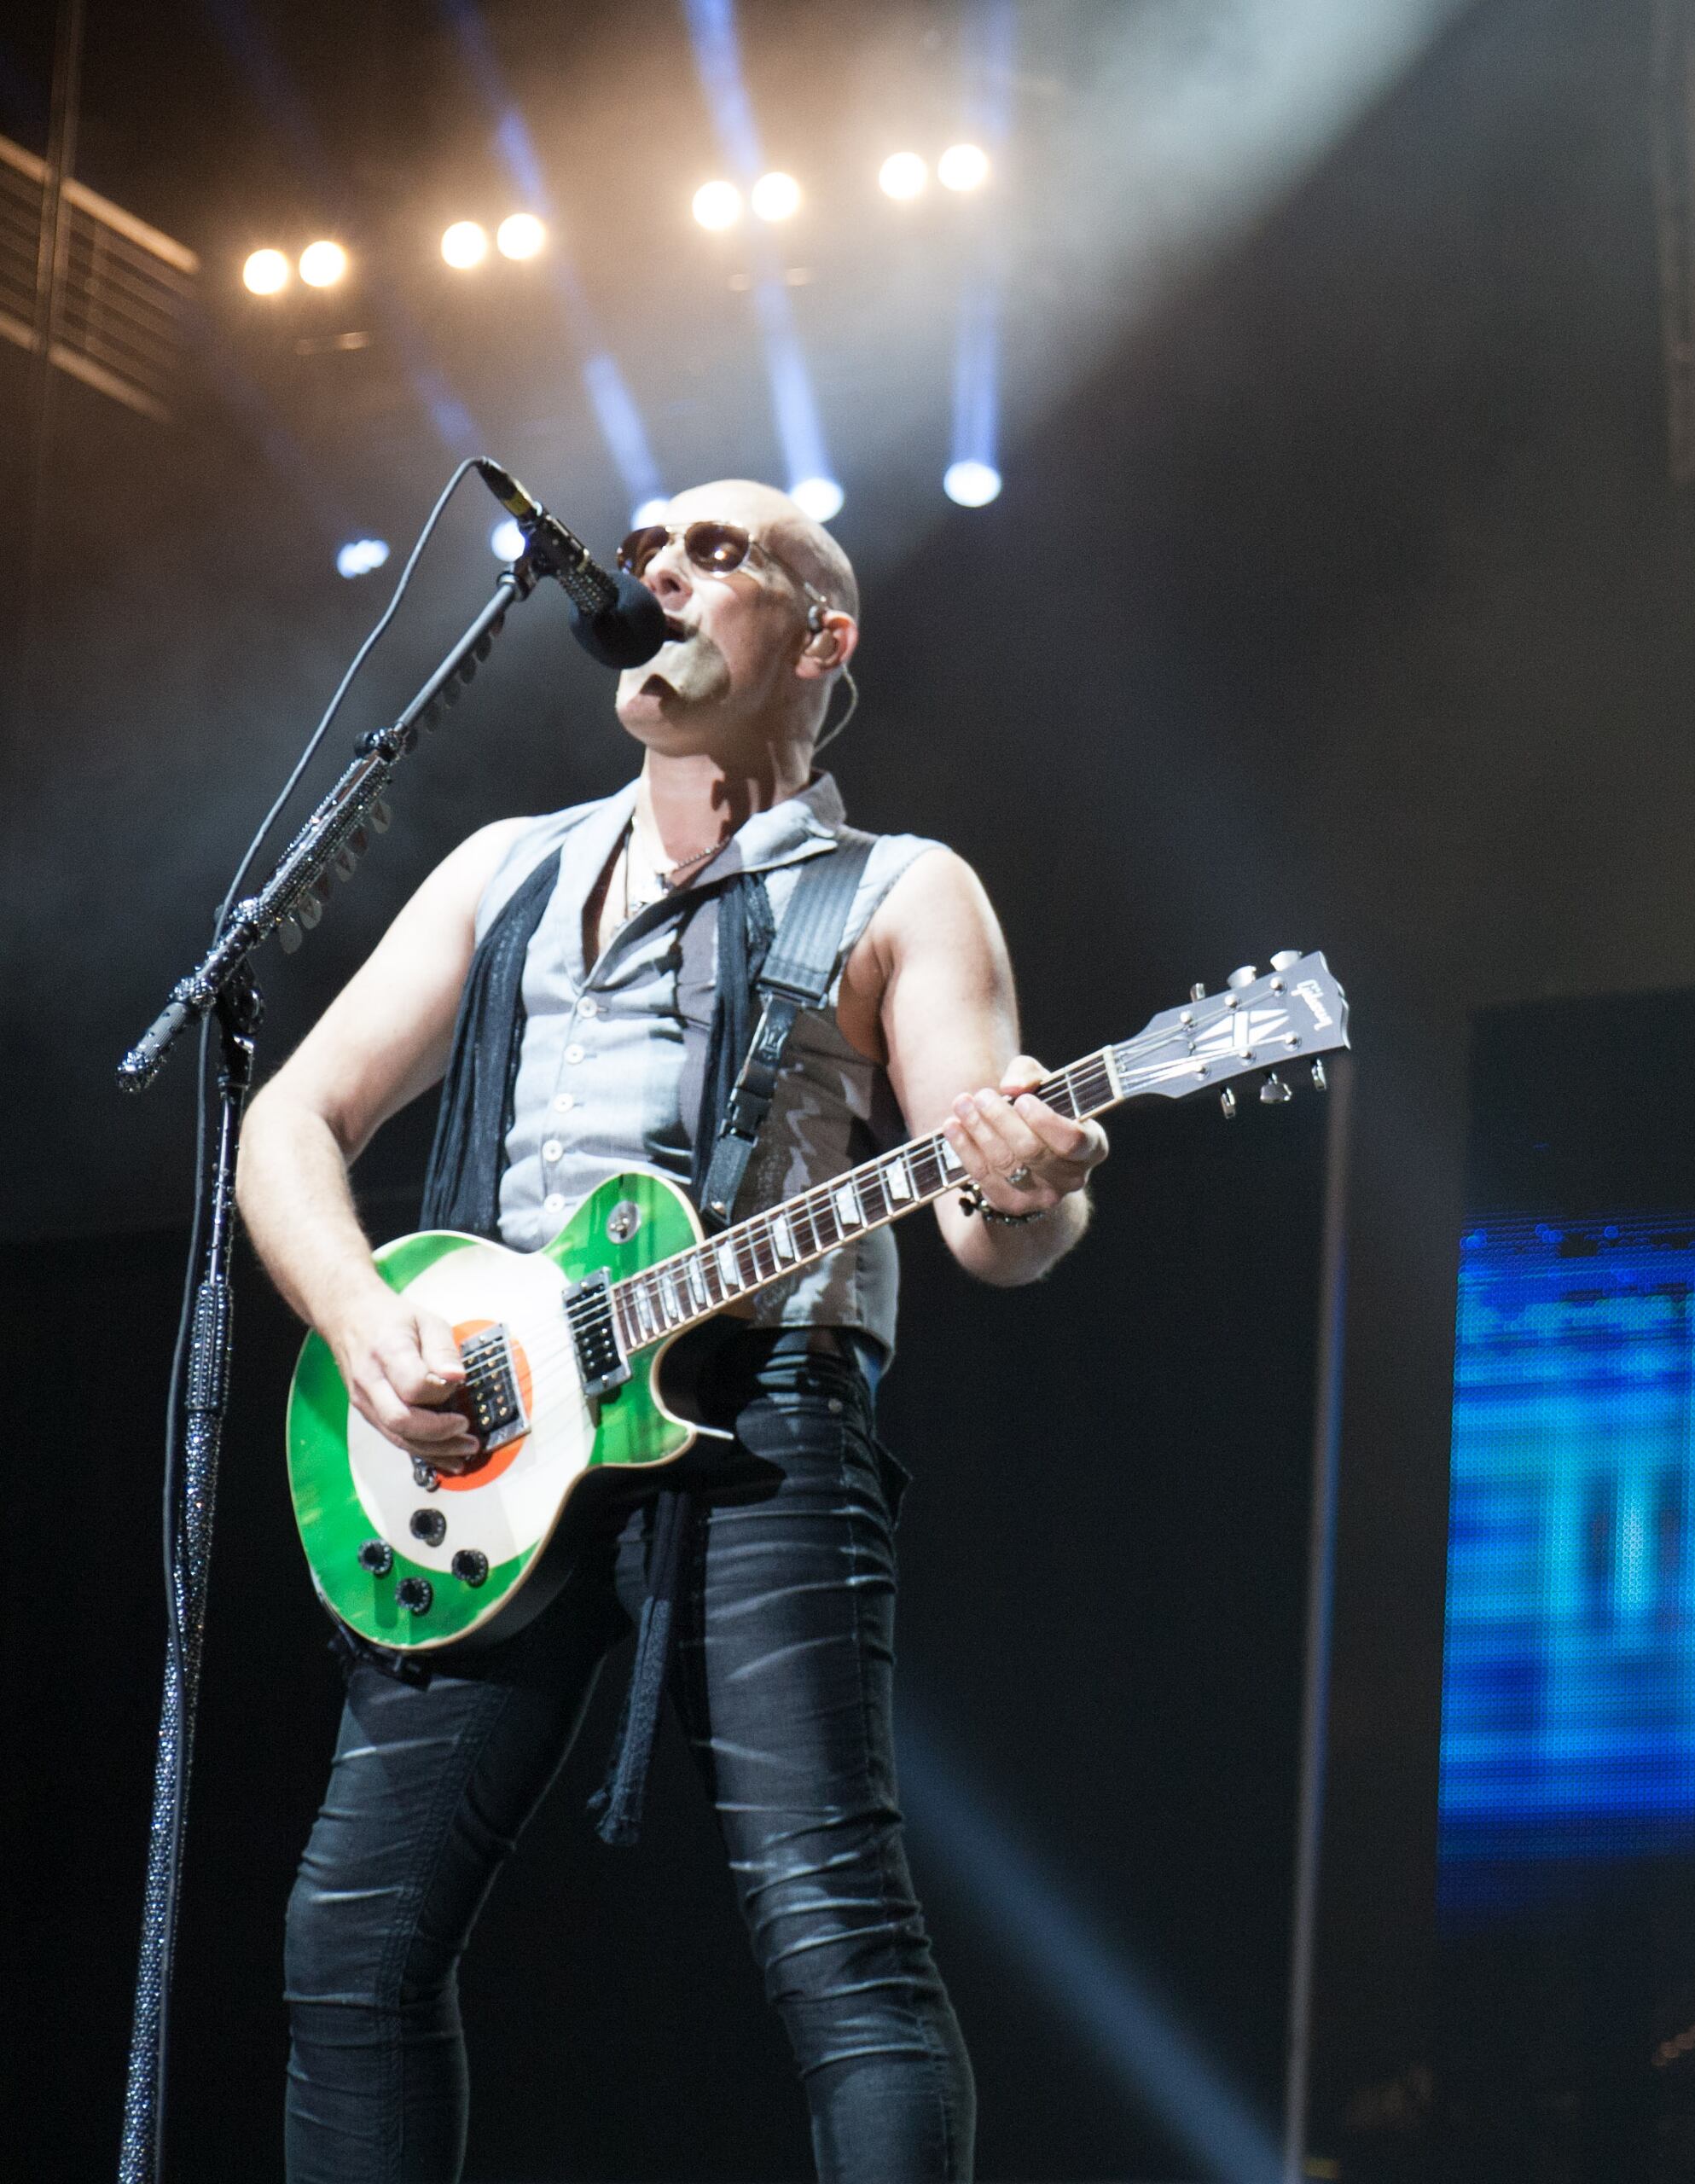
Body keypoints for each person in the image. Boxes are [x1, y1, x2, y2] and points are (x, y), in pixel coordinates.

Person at [241, 479, 1102, 2180]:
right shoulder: (508, 868)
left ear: (819, 637)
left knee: (835, 1941)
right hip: (486, 1424)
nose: (658, 573)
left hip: (766, 1405)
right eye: (646, 551)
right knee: (347, 1948)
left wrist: (1033, 1174)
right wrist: (360, 1321)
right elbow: (291, 1119)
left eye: (717, 553)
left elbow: (993, 1229)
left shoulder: (902, 888)